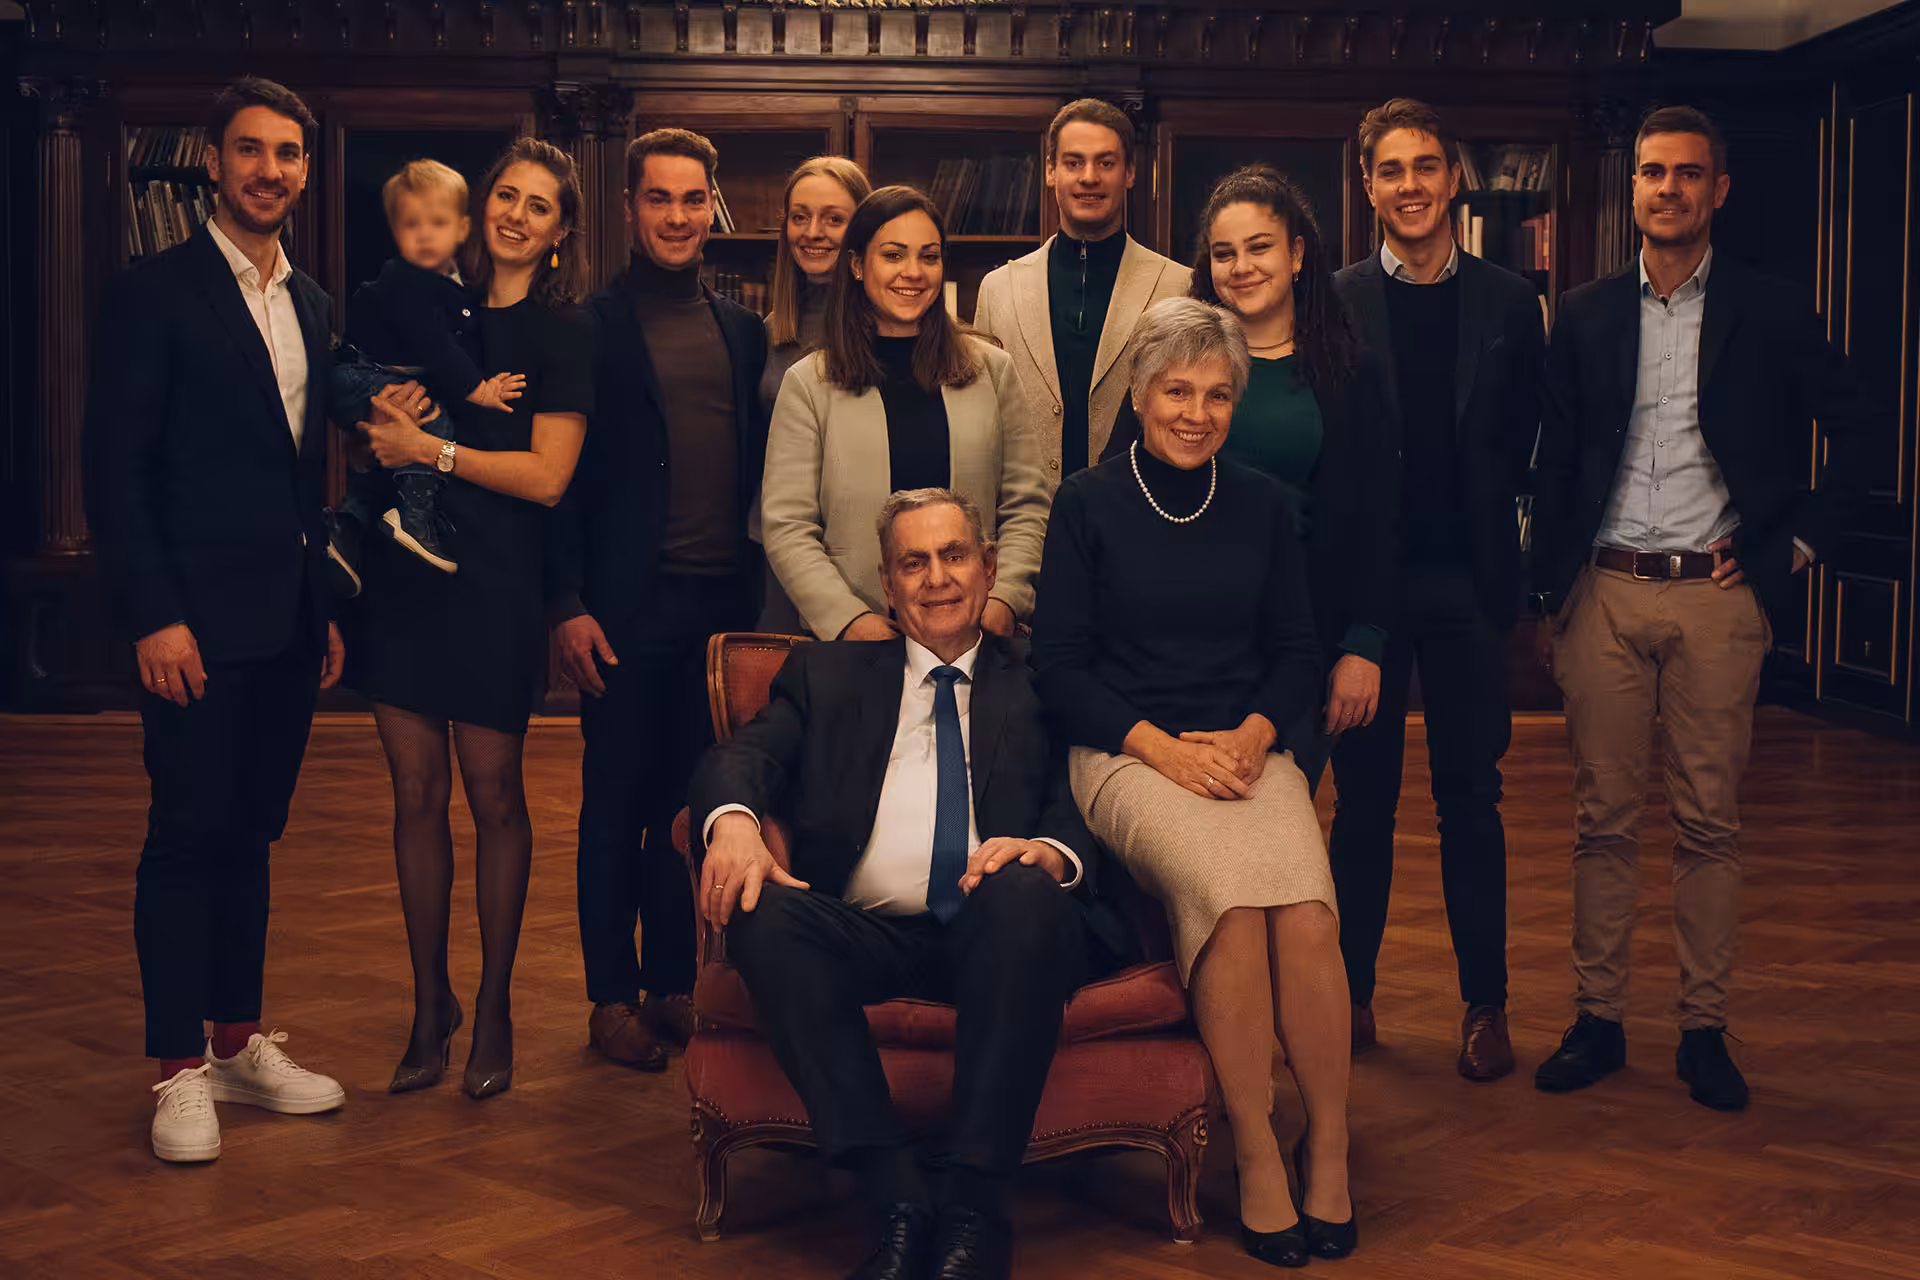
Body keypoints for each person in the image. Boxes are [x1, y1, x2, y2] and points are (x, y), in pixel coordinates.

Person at [693, 488, 1126, 1280]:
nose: (937, 579)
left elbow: (1087, 791)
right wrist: (732, 820)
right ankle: (895, 1198)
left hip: (1003, 930)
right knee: (766, 916)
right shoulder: (826, 672)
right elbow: (741, 757)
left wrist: (1049, 851)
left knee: (1027, 893)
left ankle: (974, 1208)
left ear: (988, 568)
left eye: (954, 556)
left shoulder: (1044, 677)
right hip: (866, 929)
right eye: (913, 563)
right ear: (887, 586)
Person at [1531, 106, 1871, 1111]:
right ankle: (1597, 1017)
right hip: (1603, 589)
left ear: (1718, 189)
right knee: (1602, 820)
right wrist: (1550, 590)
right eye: (1651, 173)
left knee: (1710, 822)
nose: (1666, 189)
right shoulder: (1585, 312)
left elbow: (1860, 433)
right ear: (1632, 187)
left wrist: (1794, 547)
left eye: (1686, 174)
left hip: (1720, 598)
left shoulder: (1772, 310)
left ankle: (1704, 1028)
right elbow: (1551, 461)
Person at [1033, 297, 1356, 1269]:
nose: (1196, 411)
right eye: (1176, 389)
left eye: (1217, 394)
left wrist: (1258, 736)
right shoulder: (1085, 502)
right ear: (1138, 394)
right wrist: (1162, 748)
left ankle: (1328, 1142)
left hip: (1249, 750)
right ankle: (1256, 1151)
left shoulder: (1261, 503)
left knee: (1303, 909)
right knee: (1229, 900)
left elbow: (1299, 652)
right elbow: (1061, 668)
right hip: (1128, 754)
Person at [82, 75, 347, 1163]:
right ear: (212, 159)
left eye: (288, 152)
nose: (270, 169)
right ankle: (176, 1068)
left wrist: (319, 605)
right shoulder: (156, 291)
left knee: (252, 833)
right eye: (251, 149)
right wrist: (154, 614)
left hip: (284, 624)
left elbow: (299, 477)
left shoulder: (316, 304)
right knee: (185, 839)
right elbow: (115, 469)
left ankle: (237, 1042)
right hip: (188, 626)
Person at [350, 136, 593, 1099]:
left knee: (494, 798)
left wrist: (429, 449)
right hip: (403, 579)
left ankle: (494, 1008)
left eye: (540, 205)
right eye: (505, 195)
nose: (516, 215)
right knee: (413, 795)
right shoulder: (418, 303)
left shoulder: (563, 332)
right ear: (476, 205)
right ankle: (428, 1005)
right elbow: (368, 432)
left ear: (561, 231)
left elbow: (547, 479)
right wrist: (383, 442)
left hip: (496, 584)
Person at [1330, 97, 1544, 1079]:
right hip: (1366, 590)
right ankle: (1352, 995)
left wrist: (1527, 581)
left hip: (1468, 581)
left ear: (1453, 178)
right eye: (1390, 169)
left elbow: (1535, 437)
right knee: (1362, 805)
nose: (1409, 184)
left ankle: (1484, 1005)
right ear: (1367, 185)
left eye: (1426, 166)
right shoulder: (1332, 300)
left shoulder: (1508, 300)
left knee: (1472, 797)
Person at [546, 128, 769, 1073]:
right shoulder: (586, 327)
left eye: (692, 200)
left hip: (721, 613)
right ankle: (610, 996)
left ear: (710, 207)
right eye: (658, 199)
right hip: (624, 609)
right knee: (614, 804)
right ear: (630, 208)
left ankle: (675, 984)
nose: (676, 216)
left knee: (689, 806)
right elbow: (561, 479)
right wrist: (565, 601)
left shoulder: (742, 329)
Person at [1102, 165, 1396, 790]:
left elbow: (1379, 516)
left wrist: (1364, 643)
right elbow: (1113, 489)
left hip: (1300, 638)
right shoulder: (1170, 360)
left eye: (1259, 247)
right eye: (1223, 253)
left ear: (1295, 254)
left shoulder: (1348, 371)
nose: (1241, 267)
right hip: (1172, 639)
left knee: (1275, 817)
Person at [762, 185, 1048, 644]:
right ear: (857, 265)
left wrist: (1005, 599)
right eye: (893, 255)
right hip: (859, 642)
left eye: (929, 256)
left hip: (976, 638)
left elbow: (1026, 504)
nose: (913, 273)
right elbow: (788, 526)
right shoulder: (808, 383)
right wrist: (849, 621)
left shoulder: (992, 371)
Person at [973, 98, 1191, 485]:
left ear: (1130, 174)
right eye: (1074, 162)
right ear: (1051, 171)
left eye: (1106, 163)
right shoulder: (997, 289)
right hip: (1027, 525)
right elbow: (981, 422)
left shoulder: (1179, 287)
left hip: (1135, 516)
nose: (1089, 177)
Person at [329, 158, 526, 580]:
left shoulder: (454, 283)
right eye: (410, 224)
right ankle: (413, 518)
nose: (422, 234)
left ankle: (347, 526)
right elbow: (435, 345)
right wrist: (478, 389)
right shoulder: (406, 279)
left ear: (461, 228)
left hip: (379, 376)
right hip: (362, 373)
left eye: (436, 222)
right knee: (433, 422)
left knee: (403, 440)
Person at [756, 154, 873, 632]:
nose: (813, 232)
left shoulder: (886, 330)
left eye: (833, 218)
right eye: (800, 217)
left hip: (865, 558)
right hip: (780, 557)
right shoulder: (766, 334)